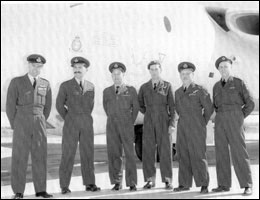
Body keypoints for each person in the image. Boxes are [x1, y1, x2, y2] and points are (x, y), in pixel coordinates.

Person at [6, 54, 52, 199]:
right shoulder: (17, 82)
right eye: (33, 65)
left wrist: (40, 119)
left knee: (40, 156)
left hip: (39, 122)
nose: (36, 69)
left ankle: (41, 190)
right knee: (20, 156)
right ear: (28, 65)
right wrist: (16, 125)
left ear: (42, 67)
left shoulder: (45, 83)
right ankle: (18, 191)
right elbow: (10, 106)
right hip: (21, 121)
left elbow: (48, 107)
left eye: (39, 66)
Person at [56, 56, 100, 194]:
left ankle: (89, 183)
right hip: (71, 122)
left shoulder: (91, 86)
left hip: (87, 122)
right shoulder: (65, 85)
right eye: (75, 68)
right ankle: (64, 185)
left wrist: (84, 117)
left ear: (86, 69)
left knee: (88, 153)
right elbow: (59, 105)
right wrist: (69, 117)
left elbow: (91, 105)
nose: (77, 70)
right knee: (68, 154)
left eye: (80, 68)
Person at [212, 56, 255, 195]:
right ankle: (223, 184)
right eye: (221, 67)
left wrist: (240, 116)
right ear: (218, 69)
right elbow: (215, 106)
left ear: (231, 67)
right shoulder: (216, 86)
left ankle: (247, 184)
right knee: (221, 153)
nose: (224, 69)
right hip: (220, 120)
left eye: (226, 66)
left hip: (235, 118)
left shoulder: (238, 83)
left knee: (239, 152)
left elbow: (250, 103)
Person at [173, 62, 213, 194]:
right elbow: (178, 109)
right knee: (183, 154)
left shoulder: (200, 90)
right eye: (183, 74)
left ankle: (203, 184)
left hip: (197, 125)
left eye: (188, 73)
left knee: (198, 154)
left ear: (193, 74)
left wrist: (201, 122)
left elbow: (209, 108)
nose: (185, 76)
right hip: (182, 125)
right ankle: (184, 183)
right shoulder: (178, 92)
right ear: (180, 75)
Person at [138, 60, 175, 190]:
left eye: (156, 69)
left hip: (163, 119)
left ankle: (167, 180)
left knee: (165, 150)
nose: (154, 71)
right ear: (149, 71)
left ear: (161, 70)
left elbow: (172, 107)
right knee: (148, 150)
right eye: (152, 69)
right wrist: (149, 113)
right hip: (149, 120)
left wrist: (171, 124)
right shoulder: (144, 87)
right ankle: (149, 180)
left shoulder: (167, 86)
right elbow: (140, 105)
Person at [103, 62, 139, 191]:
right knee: (114, 153)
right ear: (111, 75)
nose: (116, 76)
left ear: (123, 74)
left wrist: (130, 121)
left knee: (129, 153)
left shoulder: (131, 90)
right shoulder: (107, 91)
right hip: (112, 124)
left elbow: (136, 108)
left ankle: (132, 182)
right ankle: (117, 181)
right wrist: (113, 118)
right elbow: (106, 107)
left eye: (119, 74)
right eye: (114, 74)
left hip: (126, 124)